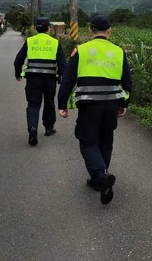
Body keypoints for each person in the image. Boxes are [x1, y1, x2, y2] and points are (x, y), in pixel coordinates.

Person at [57, 15, 132, 205]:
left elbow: (68, 79)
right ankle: (99, 178)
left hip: (90, 105)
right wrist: (124, 104)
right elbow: (128, 82)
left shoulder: (81, 50)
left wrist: (62, 104)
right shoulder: (118, 51)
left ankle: (100, 175)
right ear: (109, 31)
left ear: (90, 31)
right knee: (106, 140)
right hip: (111, 105)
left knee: (88, 141)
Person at [14, 17, 66, 146]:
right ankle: (49, 128)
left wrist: (17, 73)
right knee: (49, 102)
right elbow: (62, 64)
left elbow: (18, 60)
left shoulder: (30, 41)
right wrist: (62, 77)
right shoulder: (54, 42)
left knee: (33, 104)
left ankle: (32, 128)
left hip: (33, 79)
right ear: (49, 28)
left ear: (36, 28)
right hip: (50, 80)